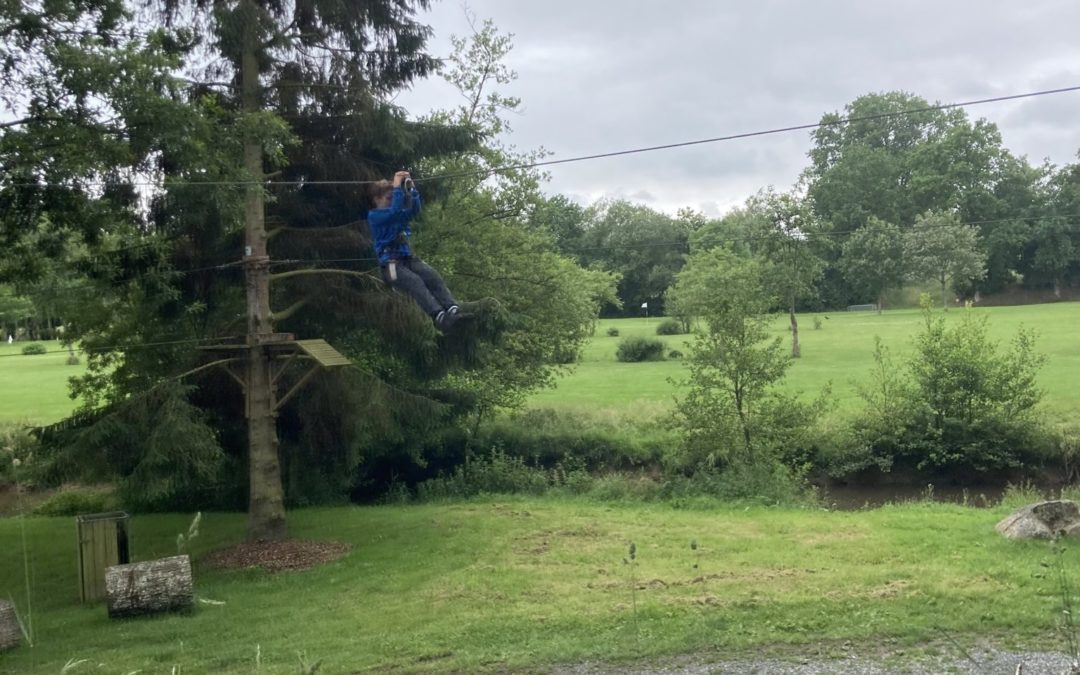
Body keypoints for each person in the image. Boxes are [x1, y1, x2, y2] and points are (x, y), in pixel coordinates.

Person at [368, 171, 463, 330]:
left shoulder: (396, 214)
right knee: (415, 282)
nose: (393, 201)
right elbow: (395, 212)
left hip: (407, 259)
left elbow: (414, 210)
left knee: (431, 276)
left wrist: (411, 189)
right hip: (391, 266)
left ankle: (452, 309)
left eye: (394, 198)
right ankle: (438, 316)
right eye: (389, 198)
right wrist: (397, 187)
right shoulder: (375, 216)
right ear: (377, 199)